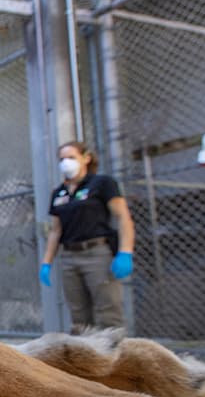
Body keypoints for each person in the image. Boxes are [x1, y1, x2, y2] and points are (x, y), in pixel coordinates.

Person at [39, 141, 135, 333]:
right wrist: (46, 262)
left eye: (71, 157)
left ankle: (115, 359)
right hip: (69, 257)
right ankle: (86, 359)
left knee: (108, 311)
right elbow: (56, 230)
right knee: (79, 316)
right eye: (62, 159)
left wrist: (125, 252)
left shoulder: (102, 183)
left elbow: (123, 217)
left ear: (86, 158)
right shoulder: (59, 193)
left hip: (97, 253)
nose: (66, 163)